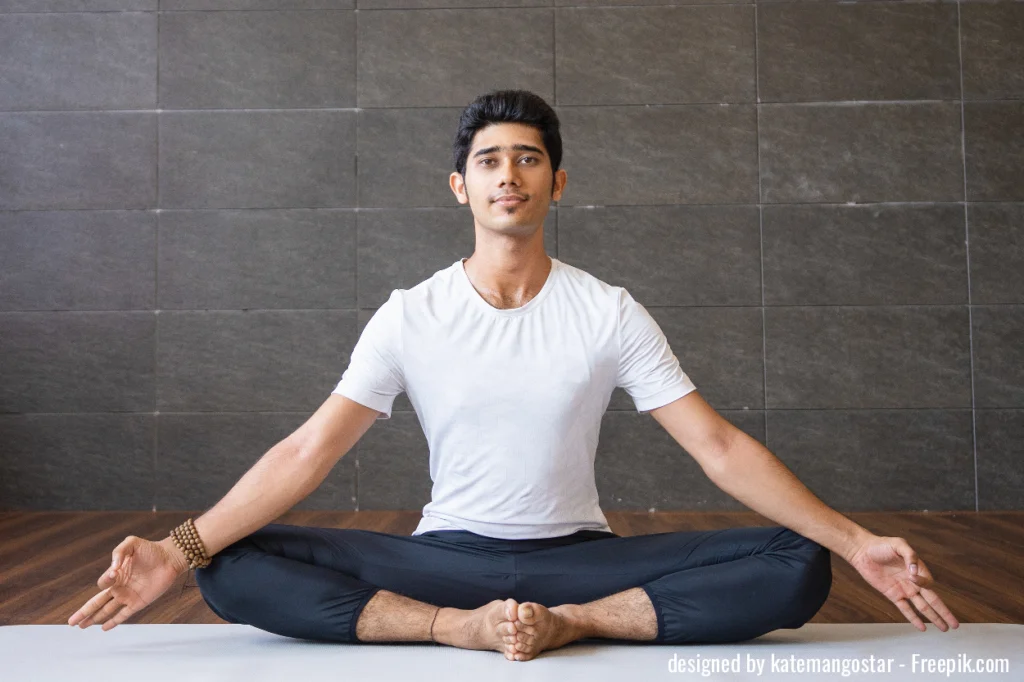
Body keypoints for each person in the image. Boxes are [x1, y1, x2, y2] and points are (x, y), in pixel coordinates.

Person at [68, 90, 959, 662]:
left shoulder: (607, 310)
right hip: (444, 565)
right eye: (489, 160)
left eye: (527, 159)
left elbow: (717, 445)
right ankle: (456, 632)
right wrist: (175, 553)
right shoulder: (411, 313)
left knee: (797, 565)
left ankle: (574, 627)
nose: (509, 176)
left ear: (556, 183)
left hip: (580, 568)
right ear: (460, 186)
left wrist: (853, 542)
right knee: (231, 568)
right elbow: (309, 449)